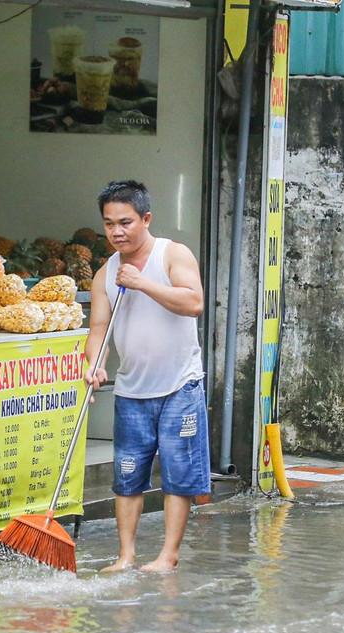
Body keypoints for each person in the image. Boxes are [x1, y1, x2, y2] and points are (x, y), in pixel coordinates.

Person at [83, 180, 209, 573]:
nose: (117, 232)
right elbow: (98, 330)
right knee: (127, 476)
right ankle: (126, 556)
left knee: (178, 474)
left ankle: (167, 556)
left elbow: (194, 303)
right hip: (132, 388)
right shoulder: (105, 273)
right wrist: (94, 363)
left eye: (125, 222)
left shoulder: (173, 254)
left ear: (146, 218)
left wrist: (143, 284)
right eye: (109, 224)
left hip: (179, 386)